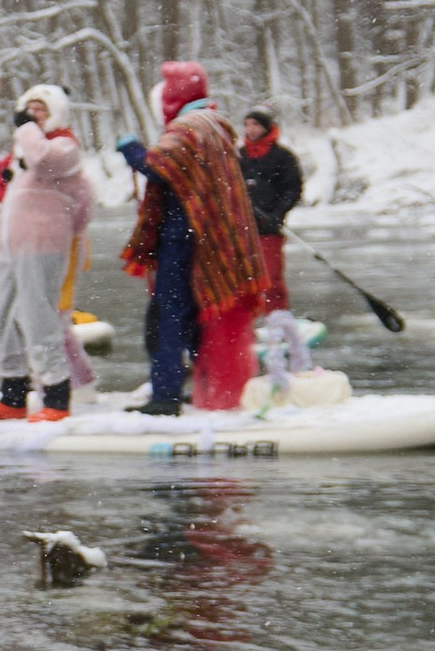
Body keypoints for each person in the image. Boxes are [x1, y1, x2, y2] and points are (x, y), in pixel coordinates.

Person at [118, 65, 265, 415]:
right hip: (205, 240)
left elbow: (158, 164)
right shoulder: (213, 123)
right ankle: (202, 385)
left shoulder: (190, 126)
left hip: (183, 237)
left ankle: (166, 395)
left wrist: (131, 149)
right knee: (194, 316)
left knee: (167, 317)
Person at [0, 82, 95, 419]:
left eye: (40, 109)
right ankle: (13, 394)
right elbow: (21, 199)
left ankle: (57, 395)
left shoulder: (64, 147)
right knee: (3, 318)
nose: (33, 115)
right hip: (12, 245)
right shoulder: (22, 159)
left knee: (37, 315)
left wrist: (26, 126)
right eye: (28, 109)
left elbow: (44, 160)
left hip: (42, 243)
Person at [238, 109, 304, 310]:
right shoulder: (238, 157)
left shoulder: (282, 157)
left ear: (266, 127)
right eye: (248, 125)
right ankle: (250, 325)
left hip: (269, 227)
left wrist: (278, 213)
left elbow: (293, 189)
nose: (251, 129)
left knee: (270, 278)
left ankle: (278, 320)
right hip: (242, 229)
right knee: (243, 280)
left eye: (255, 125)